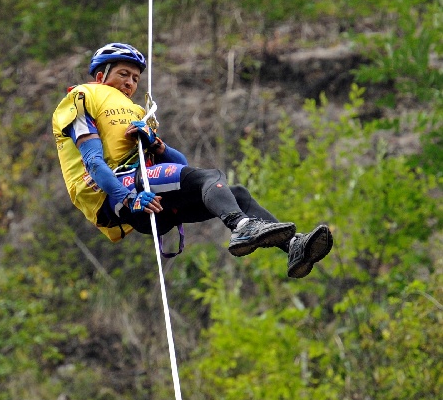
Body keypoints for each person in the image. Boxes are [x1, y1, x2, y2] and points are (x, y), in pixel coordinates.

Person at [52, 42, 333, 277]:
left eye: (135, 79)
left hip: (151, 197)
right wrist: (127, 198)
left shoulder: (137, 111)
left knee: (235, 192)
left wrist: (155, 144)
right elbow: (93, 161)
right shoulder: (82, 98)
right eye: (124, 74)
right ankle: (243, 227)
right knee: (208, 177)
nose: (129, 83)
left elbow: (180, 164)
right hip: (116, 197)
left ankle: (294, 247)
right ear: (100, 77)